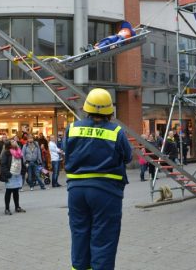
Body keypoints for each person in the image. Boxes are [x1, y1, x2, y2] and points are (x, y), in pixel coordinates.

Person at [64, 88, 132, 270]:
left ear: (86, 108)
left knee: (79, 233)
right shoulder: (116, 131)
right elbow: (128, 157)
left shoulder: (72, 128)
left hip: (76, 190)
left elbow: (67, 152)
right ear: (110, 111)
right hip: (106, 191)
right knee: (104, 236)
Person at [0, 141, 25, 214]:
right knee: (9, 191)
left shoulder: (19, 152)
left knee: (16, 191)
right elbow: (3, 164)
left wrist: (23, 171)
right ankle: (7, 209)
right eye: (13, 141)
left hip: (17, 174)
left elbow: (22, 162)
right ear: (10, 144)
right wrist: (8, 174)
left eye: (15, 142)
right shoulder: (6, 152)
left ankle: (17, 207)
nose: (15, 142)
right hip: (10, 174)